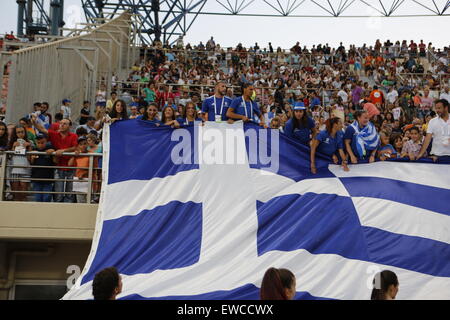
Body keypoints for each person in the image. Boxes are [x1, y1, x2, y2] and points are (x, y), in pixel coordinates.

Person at [31, 116, 78, 203]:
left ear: (70, 126)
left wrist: (62, 150)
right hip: (58, 166)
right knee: (58, 193)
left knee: (69, 193)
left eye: (65, 124)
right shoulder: (54, 134)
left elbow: (75, 147)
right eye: (61, 123)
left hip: (71, 167)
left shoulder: (74, 136)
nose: (62, 125)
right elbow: (42, 129)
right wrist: (34, 122)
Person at [8, 125, 32, 201]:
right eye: (18, 132)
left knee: (23, 194)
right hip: (14, 169)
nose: (20, 134)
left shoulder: (29, 142)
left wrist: (29, 147)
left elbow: (30, 159)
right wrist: (13, 147)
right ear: (15, 134)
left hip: (25, 169)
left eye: (22, 132)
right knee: (15, 194)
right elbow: (9, 157)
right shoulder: (11, 142)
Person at [30, 134, 56, 202]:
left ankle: (46, 212)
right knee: (38, 198)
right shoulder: (34, 150)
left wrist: (53, 153)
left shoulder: (50, 149)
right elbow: (31, 163)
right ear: (36, 142)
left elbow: (55, 161)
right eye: (38, 143)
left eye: (42, 142)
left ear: (46, 141)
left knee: (47, 198)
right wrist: (32, 157)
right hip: (36, 179)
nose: (40, 145)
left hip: (48, 179)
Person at [68, 136, 92, 204]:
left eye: (84, 144)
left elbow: (94, 168)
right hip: (79, 181)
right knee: (80, 202)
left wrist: (84, 173)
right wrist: (74, 155)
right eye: (80, 144)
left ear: (87, 144)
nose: (83, 146)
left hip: (90, 180)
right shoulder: (77, 154)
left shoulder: (92, 154)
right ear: (78, 146)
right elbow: (70, 164)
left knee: (89, 202)